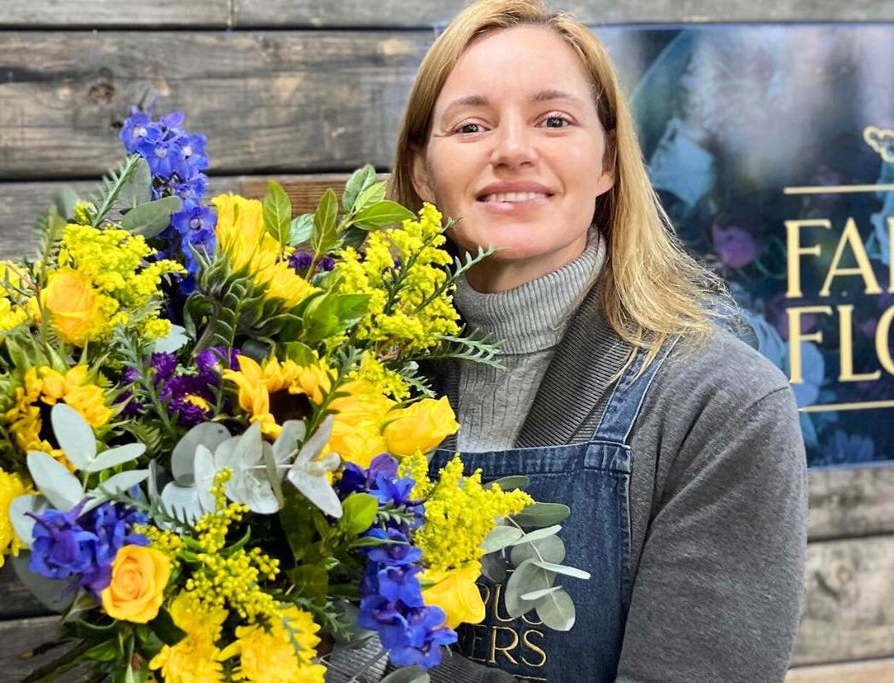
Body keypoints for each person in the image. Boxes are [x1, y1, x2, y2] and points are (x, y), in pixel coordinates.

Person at [331, 2, 807, 682]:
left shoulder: (722, 408)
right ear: (422, 172)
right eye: (471, 125)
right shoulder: (341, 385)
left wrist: (365, 656)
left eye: (554, 120)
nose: (514, 149)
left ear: (609, 160)